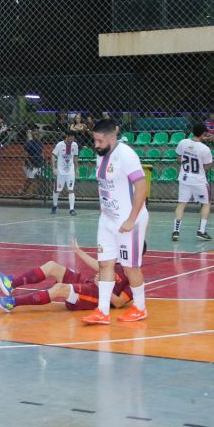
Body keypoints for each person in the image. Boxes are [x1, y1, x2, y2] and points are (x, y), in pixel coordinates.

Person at [81, 118, 150, 325]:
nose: (96, 145)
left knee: (130, 268)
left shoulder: (126, 155)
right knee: (105, 263)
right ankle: (102, 311)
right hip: (108, 218)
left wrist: (131, 219)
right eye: (95, 140)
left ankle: (140, 308)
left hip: (128, 220)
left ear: (112, 138)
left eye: (100, 141)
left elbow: (141, 187)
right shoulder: (100, 155)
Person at [0, 239, 132, 313]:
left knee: (60, 288)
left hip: (94, 297)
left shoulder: (134, 280)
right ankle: (11, 284)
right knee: (52, 266)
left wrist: (101, 285)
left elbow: (119, 303)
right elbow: (99, 266)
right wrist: (78, 251)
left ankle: (12, 302)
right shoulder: (119, 264)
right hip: (88, 283)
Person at [173, 122, 214, 242]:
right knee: (206, 203)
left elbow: (179, 158)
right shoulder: (205, 149)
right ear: (203, 134)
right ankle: (201, 231)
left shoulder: (183, 142)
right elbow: (207, 166)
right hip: (198, 180)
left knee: (181, 204)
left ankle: (176, 231)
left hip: (184, 178)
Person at [51, 129, 79, 215]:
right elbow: (53, 155)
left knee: (71, 189)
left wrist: (77, 169)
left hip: (70, 171)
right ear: (66, 136)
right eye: (70, 137)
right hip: (60, 171)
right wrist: (54, 168)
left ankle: (71, 209)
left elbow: (75, 157)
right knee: (57, 190)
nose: (72, 139)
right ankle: (55, 205)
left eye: (73, 137)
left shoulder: (75, 145)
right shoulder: (60, 145)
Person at [20, 128, 44, 198]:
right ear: (32, 134)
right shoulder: (29, 144)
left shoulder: (40, 143)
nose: (36, 135)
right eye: (34, 134)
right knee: (30, 179)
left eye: (37, 134)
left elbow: (41, 153)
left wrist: (43, 160)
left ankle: (33, 193)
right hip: (30, 164)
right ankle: (23, 191)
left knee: (38, 178)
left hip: (38, 163)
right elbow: (25, 155)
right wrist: (29, 163)